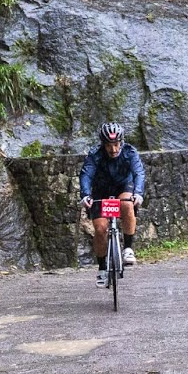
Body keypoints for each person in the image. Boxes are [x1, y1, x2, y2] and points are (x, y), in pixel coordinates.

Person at [79, 122, 145, 284]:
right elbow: (86, 174)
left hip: (124, 186)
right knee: (101, 229)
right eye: (109, 146)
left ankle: (128, 248)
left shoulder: (130, 152)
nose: (113, 150)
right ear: (103, 145)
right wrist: (86, 195)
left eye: (116, 145)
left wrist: (138, 193)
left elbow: (139, 173)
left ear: (121, 142)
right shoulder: (95, 154)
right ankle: (102, 268)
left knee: (127, 204)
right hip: (101, 190)